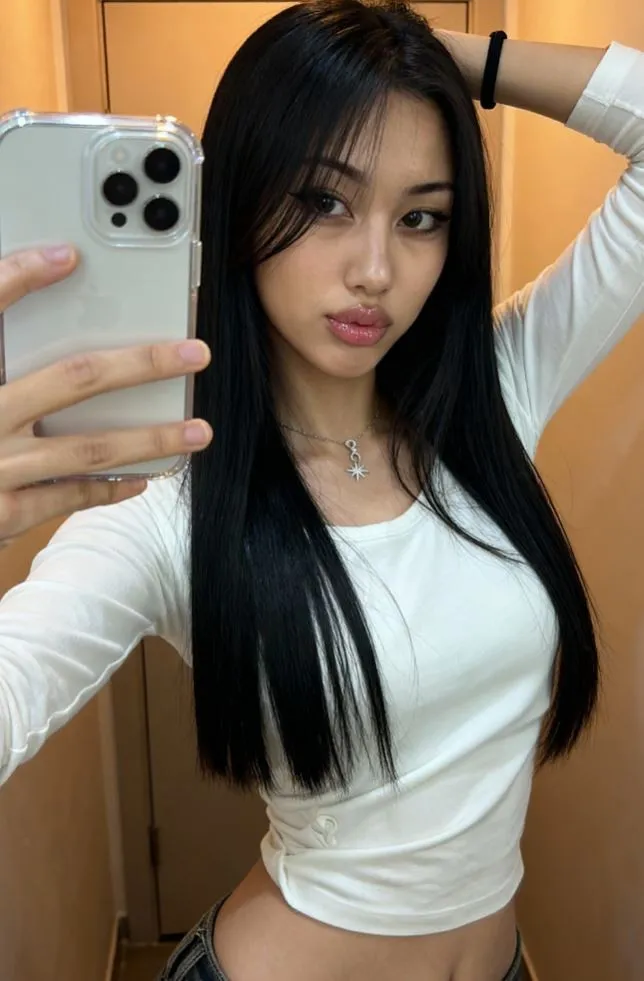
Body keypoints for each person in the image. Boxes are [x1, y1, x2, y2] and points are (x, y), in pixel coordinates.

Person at [1, 1, 643, 979]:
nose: (375, 270)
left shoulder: (495, 396)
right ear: (239, 203)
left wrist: (423, 55)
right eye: (323, 202)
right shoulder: (162, 507)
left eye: (420, 216)